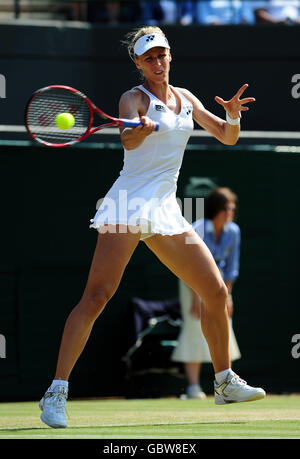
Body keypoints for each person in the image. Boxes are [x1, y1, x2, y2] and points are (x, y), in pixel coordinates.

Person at [39, 26, 266, 428]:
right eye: (149, 57)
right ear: (138, 63)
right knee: (97, 297)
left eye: (162, 55)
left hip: (164, 208)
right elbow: (128, 139)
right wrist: (137, 130)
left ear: (170, 56)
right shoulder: (133, 98)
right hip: (128, 202)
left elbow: (227, 137)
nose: (157, 62)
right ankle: (55, 392)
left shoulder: (186, 99)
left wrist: (231, 115)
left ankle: (224, 381)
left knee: (213, 291)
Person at [172, 187, 242, 399]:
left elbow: (231, 268)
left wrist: (227, 297)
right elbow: (190, 265)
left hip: (218, 283)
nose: (230, 213)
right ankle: (193, 387)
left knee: (222, 325)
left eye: (232, 209)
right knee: (195, 326)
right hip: (191, 280)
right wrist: (196, 298)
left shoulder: (234, 231)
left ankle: (225, 384)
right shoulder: (198, 228)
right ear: (217, 210)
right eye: (227, 209)